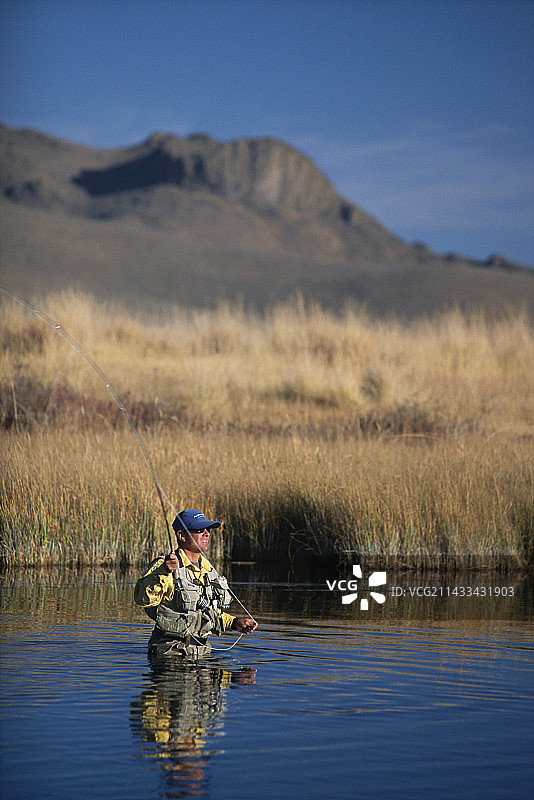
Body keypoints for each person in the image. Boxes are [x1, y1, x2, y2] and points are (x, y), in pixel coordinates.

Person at [134, 509, 258, 659]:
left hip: (202, 653)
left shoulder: (208, 570)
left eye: (208, 530)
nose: (206, 533)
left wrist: (235, 623)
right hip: (169, 654)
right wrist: (165, 571)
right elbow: (143, 599)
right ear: (181, 535)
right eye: (199, 530)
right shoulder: (164, 565)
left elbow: (207, 611)